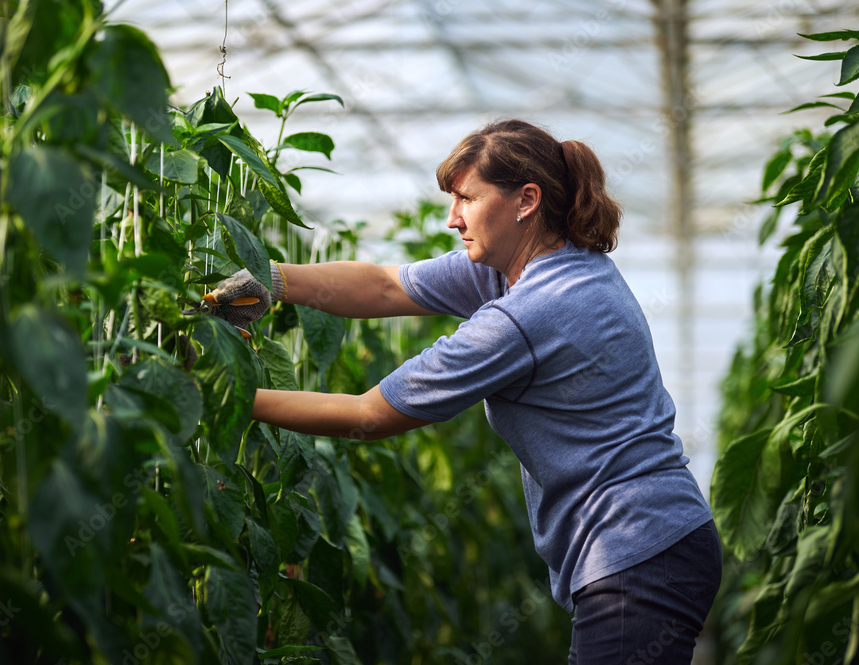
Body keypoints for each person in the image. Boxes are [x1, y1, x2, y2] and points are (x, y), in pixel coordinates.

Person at [208, 119, 721, 664]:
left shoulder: (530, 311)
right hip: (651, 543)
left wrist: (228, 394)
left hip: (637, 545)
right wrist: (269, 280)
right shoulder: (526, 267)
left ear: (526, 200)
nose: (453, 219)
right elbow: (385, 286)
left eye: (466, 199)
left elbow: (371, 414)